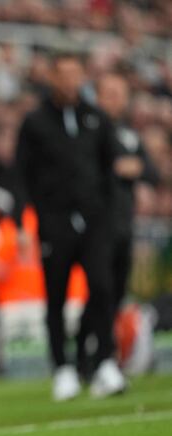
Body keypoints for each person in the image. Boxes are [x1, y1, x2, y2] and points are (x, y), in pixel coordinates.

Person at [13, 53, 135, 401]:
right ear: (52, 76)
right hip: (54, 222)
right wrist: (21, 219)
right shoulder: (35, 122)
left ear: (82, 77)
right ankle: (62, 368)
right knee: (57, 295)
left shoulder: (96, 118)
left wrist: (114, 215)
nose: (69, 81)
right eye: (62, 74)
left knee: (102, 287)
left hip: (96, 221)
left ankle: (104, 362)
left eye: (75, 74)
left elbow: (113, 166)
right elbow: (20, 175)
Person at [75, 72, 158, 377]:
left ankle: (96, 352)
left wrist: (135, 168)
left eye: (120, 93)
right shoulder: (86, 128)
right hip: (95, 224)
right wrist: (113, 168)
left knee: (116, 291)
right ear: (97, 95)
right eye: (109, 92)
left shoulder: (128, 134)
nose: (116, 99)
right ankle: (93, 353)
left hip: (123, 223)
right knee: (100, 289)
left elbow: (150, 170)